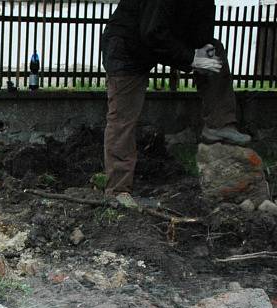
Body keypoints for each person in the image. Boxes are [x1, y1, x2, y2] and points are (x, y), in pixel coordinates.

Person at [101, 0, 251, 202]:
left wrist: (202, 54)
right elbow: (152, 32)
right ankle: (117, 191)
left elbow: (202, 34)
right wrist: (190, 58)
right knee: (123, 118)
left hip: (160, 38)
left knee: (214, 50)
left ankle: (220, 124)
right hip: (127, 46)